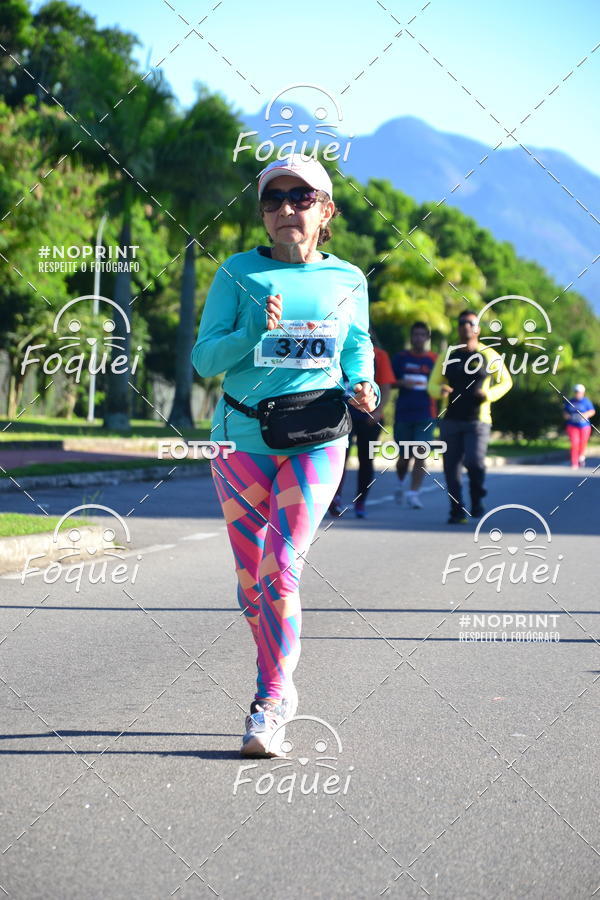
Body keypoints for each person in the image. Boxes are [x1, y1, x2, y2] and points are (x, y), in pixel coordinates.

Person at [191, 154, 379, 757]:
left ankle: (270, 699)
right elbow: (204, 361)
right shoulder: (237, 274)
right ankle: (277, 678)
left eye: (301, 198)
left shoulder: (348, 278)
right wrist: (252, 334)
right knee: (252, 583)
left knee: (281, 562)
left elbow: (357, 344)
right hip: (239, 438)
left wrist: (363, 382)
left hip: (317, 436)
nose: (285, 209)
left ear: (326, 211)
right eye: (273, 200)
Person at [428, 310, 512, 524]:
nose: (466, 326)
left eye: (470, 322)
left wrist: (489, 394)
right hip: (451, 419)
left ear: (478, 329)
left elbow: (506, 382)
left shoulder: (489, 355)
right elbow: (432, 384)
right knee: (451, 468)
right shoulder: (449, 354)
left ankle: (477, 497)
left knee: (474, 463)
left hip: (478, 420)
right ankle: (456, 511)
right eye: (462, 322)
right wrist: (440, 391)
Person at [328, 328, 395, 518]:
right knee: (339, 456)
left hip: (368, 415)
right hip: (343, 412)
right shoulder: (337, 350)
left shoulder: (379, 355)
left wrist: (379, 411)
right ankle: (335, 499)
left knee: (366, 460)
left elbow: (385, 385)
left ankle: (361, 502)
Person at [391, 321, 438, 509]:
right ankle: (401, 484)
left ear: (427, 338)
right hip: (403, 413)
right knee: (404, 458)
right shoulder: (401, 358)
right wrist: (402, 383)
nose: (418, 338)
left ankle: (414, 493)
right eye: (415, 334)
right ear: (411, 337)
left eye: (422, 335)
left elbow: (443, 381)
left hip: (426, 413)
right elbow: (388, 382)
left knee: (420, 454)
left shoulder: (435, 360)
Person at [563, 383, 595, 468]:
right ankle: (574, 463)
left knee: (583, 443)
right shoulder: (570, 401)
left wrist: (586, 414)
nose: (578, 393)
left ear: (583, 393)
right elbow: (565, 412)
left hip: (584, 426)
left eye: (580, 392)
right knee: (574, 443)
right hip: (572, 425)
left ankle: (581, 457)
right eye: (576, 392)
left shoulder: (586, 401)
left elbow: (592, 411)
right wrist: (568, 416)